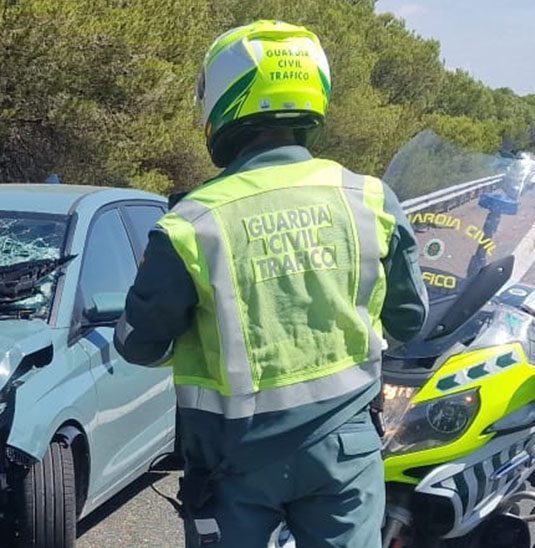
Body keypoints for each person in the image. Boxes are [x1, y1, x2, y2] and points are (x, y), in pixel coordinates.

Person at [114, 20, 429, 548]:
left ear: (221, 100)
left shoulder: (191, 222)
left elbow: (139, 346)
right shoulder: (369, 199)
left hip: (233, 462)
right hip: (344, 452)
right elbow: (407, 320)